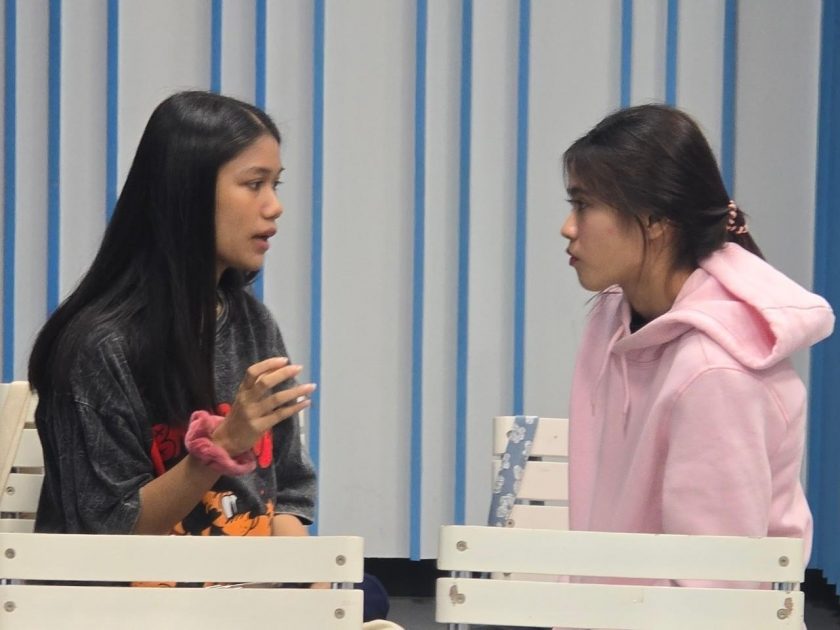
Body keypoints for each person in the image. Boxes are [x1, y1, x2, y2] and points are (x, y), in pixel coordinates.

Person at [561, 104, 834, 578]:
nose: (568, 227)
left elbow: (713, 591)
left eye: (583, 205)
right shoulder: (614, 318)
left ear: (655, 221)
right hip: (611, 605)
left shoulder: (715, 371)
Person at [29, 90, 316, 538]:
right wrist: (220, 447)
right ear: (188, 193)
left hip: (253, 579)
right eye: (253, 184)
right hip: (133, 583)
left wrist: (301, 577)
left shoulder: (254, 325)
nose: (274, 206)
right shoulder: (100, 347)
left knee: (362, 580)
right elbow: (109, 531)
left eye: (274, 185)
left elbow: (290, 492)